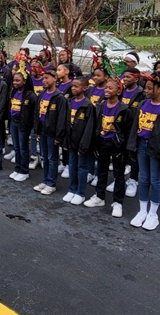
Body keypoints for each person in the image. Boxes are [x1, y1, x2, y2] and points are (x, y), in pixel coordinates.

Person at [127, 72, 160, 231]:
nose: (146, 91)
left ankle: (153, 214)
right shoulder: (143, 104)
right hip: (142, 146)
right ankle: (142, 211)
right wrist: (132, 147)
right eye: (146, 88)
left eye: (150, 88)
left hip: (158, 149)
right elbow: (135, 127)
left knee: (156, 180)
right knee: (143, 178)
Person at [85, 78, 130, 217]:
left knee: (118, 174)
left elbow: (127, 131)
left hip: (117, 145)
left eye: (110, 88)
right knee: (101, 170)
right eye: (106, 88)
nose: (107, 90)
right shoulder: (100, 106)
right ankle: (99, 196)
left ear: (118, 91)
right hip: (102, 143)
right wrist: (95, 144)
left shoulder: (124, 109)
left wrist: (124, 149)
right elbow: (95, 126)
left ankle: (118, 202)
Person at [62, 76, 96, 205]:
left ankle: (80, 192)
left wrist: (84, 146)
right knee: (72, 166)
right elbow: (66, 123)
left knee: (82, 167)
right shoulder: (69, 102)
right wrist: (65, 140)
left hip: (82, 143)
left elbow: (89, 128)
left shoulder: (88, 106)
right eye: (72, 86)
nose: (73, 88)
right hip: (71, 141)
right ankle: (72, 189)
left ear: (85, 88)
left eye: (76, 86)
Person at [34, 69, 67, 195]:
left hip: (52, 132)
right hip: (42, 130)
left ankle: (51, 183)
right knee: (44, 157)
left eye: (47, 78)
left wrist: (58, 135)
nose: (44, 80)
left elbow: (61, 118)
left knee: (52, 158)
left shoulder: (59, 97)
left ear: (55, 79)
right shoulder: (42, 94)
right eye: (43, 78)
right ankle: (45, 180)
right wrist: (37, 129)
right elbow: (37, 113)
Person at [119, 67, 145, 197]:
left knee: (133, 156)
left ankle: (133, 180)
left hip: (133, 130)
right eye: (124, 77)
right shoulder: (121, 91)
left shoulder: (141, 94)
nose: (124, 79)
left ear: (136, 78)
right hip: (120, 130)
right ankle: (119, 179)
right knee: (121, 155)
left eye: (128, 77)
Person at [8, 71, 37, 182]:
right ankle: (17, 168)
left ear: (24, 81)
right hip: (13, 122)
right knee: (16, 147)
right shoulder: (14, 91)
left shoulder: (31, 95)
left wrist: (32, 125)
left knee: (23, 147)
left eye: (18, 80)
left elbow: (34, 112)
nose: (15, 82)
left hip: (23, 123)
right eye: (14, 80)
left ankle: (24, 171)